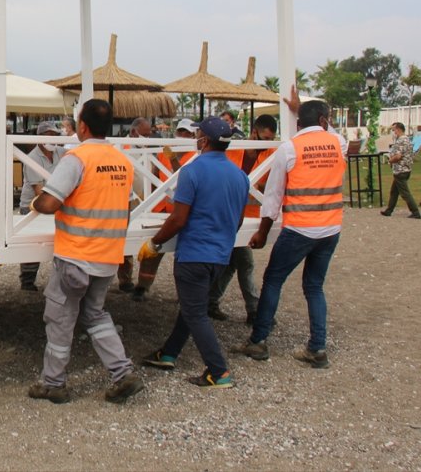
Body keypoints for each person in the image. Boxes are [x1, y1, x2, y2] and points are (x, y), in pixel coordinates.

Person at [28, 100, 143, 405]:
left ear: (82, 125)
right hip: (107, 256)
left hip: (76, 256)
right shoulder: (122, 161)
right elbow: (128, 205)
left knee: (60, 317)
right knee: (95, 313)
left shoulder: (76, 158)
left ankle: (53, 383)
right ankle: (122, 373)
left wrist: (34, 204)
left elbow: (50, 203)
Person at [234, 89, 347, 369]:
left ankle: (258, 341)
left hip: (299, 229)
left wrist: (262, 231)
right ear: (323, 120)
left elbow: (273, 196)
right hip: (330, 228)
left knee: (274, 280)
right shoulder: (338, 143)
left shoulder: (289, 148)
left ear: (297, 123)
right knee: (314, 287)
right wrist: (303, 110)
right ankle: (317, 347)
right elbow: (330, 131)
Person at [140, 117, 249, 388]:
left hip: (194, 253)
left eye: (198, 133)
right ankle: (169, 353)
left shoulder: (193, 170)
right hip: (220, 254)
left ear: (204, 140)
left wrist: (155, 243)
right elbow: (238, 220)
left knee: (196, 313)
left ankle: (218, 371)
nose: (196, 137)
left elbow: (178, 219)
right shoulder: (239, 175)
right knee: (193, 307)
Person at [209, 114, 277, 324]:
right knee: (244, 263)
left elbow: (274, 182)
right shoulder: (233, 150)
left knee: (232, 263)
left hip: (250, 219)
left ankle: (210, 301)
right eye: (264, 138)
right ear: (254, 132)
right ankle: (254, 310)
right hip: (229, 215)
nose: (267, 143)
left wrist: (261, 188)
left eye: (271, 139)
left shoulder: (272, 154)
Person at [132, 119, 197, 302]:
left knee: (184, 254)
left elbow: (185, 178)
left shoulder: (196, 155)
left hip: (182, 211)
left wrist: (174, 159)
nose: (183, 136)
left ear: (193, 136)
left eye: (187, 133)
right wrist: (147, 203)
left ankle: (185, 292)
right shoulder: (162, 154)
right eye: (181, 132)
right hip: (160, 208)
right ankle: (142, 287)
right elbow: (153, 175)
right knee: (153, 250)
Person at [18, 121, 63, 291]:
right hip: (31, 205)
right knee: (31, 244)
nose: (53, 139)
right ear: (40, 137)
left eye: (55, 135)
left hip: (54, 202)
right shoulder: (31, 158)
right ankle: (27, 281)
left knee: (58, 241)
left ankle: (59, 278)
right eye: (49, 135)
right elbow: (38, 191)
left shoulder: (62, 152)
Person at [117, 117, 152, 293]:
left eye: (149, 134)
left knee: (147, 241)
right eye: (144, 134)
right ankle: (125, 279)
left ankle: (143, 283)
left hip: (147, 202)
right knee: (125, 239)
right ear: (133, 132)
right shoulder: (122, 149)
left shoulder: (147, 149)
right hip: (127, 202)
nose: (147, 137)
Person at [380, 122, 421, 219]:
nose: (393, 132)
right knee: (394, 191)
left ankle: (415, 211)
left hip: (400, 170)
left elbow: (398, 156)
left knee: (405, 193)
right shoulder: (407, 139)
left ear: (398, 129)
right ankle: (389, 210)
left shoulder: (400, 141)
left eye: (394, 130)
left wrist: (390, 160)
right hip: (406, 169)